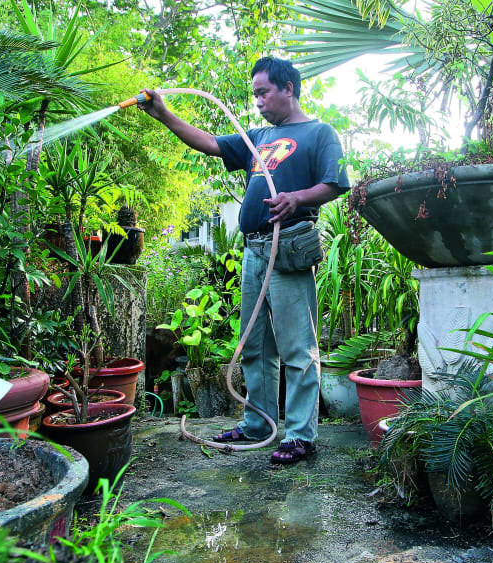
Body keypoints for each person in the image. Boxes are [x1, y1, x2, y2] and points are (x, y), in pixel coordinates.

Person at [140, 56, 350, 464]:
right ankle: (258, 424)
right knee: (254, 345)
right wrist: (164, 114)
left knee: (297, 348)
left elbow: (335, 183)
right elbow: (210, 143)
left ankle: (300, 436)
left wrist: (296, 198)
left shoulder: (319, 133)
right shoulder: (258, 137)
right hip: (253, 252)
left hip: (288, 248)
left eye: (263, 92)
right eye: (254, 95)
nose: (258, 101)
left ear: (288, 88)